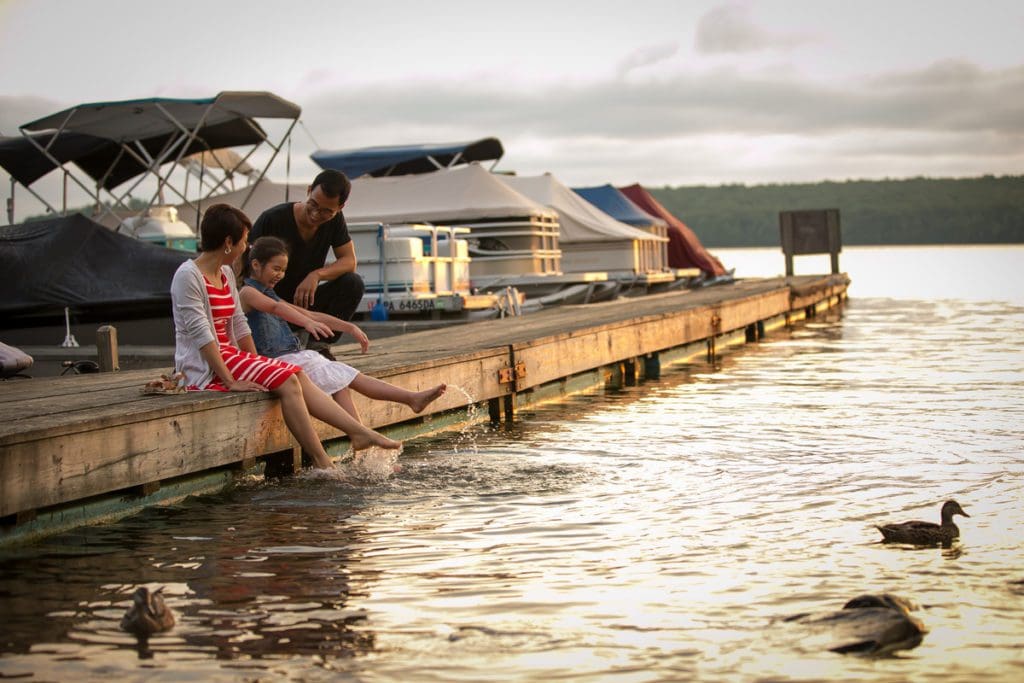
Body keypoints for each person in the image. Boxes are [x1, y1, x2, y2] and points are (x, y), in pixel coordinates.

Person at [170, 203, 399, 469]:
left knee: (295, 373)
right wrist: (232, 381)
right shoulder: (188, 276)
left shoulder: (225, 273)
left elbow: (239, 324)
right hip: (206, 364)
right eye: (244, 241)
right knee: (289, 380)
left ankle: (356, 434)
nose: (246, 247)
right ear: (228, 242)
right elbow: (202, 336)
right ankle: (324, 461)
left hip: (230, 356)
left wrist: (257, 365)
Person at [239, 235, 447, 422]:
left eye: (283, 270)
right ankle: (407, 401)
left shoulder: (268, 293)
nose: (281, 275)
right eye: (276, 269)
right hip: (275, 362)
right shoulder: (248, 293)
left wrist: (348, 327)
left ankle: (365, 435)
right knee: (341, 376)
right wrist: (307, 324)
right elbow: (277, 309)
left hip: (292, 357)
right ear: (256, 265)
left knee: (342, 377)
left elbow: (310, 314)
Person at [249, 169, 364, 350]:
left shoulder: (335, 221)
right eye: (313, 205)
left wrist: (317, 275)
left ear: (340, 208)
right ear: (309, 190)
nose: (316, 215)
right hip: (271, 302)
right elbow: (244, 268)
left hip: (305, 301)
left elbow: (350, 261)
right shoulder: (272, 219)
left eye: (326, 211)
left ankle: (319, 344)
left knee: (353, 282)